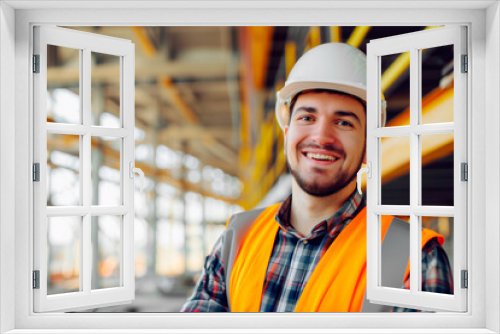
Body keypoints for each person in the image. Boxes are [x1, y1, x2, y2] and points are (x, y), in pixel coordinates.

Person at [181, 43, 453, 312]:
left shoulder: (414, 259)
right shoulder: (237, 237)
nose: (321, 137)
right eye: (307, 117)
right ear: (287, 135)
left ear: (369, 147)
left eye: (344, 122)